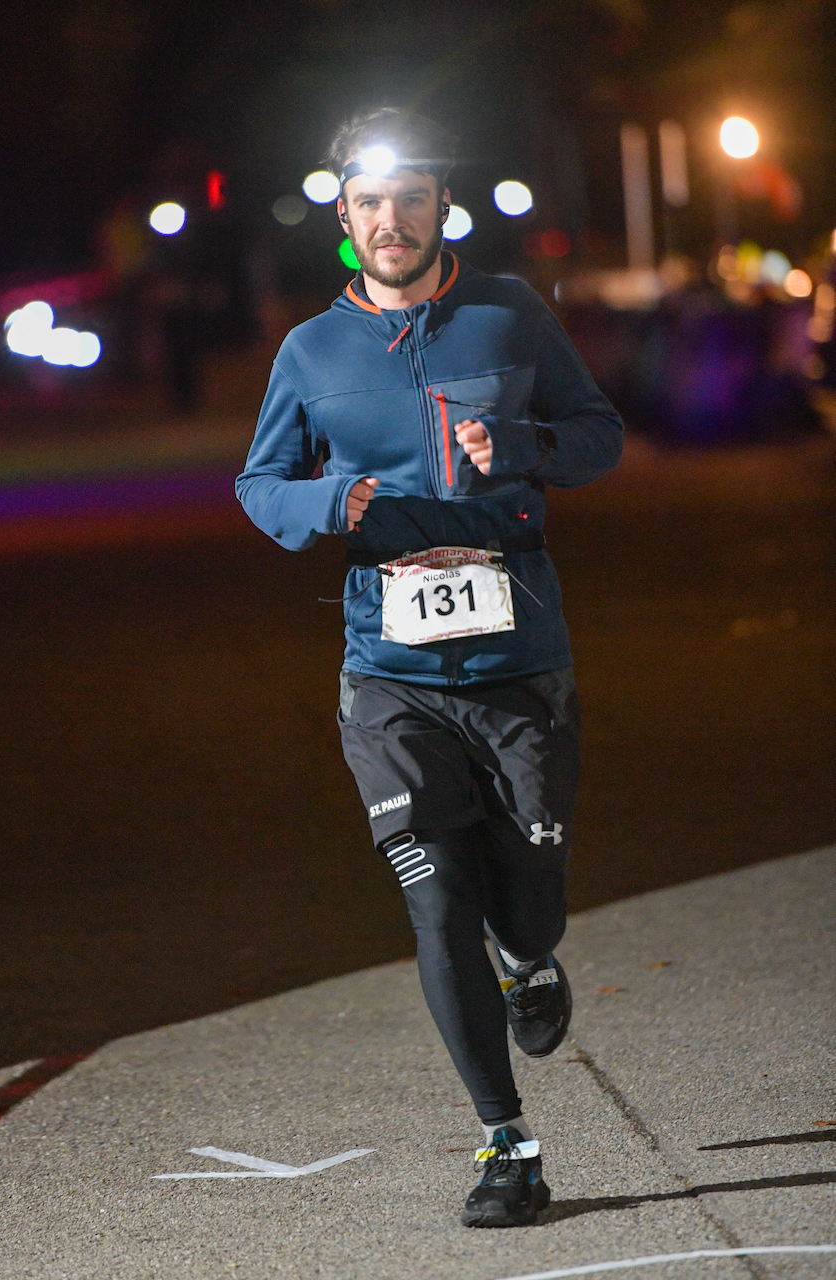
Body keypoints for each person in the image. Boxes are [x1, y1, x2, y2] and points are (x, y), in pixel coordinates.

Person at [236, 107, 624, 1227]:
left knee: (526, 900)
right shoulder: (310, 350)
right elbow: (259, 483)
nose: (388, 220)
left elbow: (597, 432)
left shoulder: (507, 313)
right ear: (344, 219)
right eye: (367, 204)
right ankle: (508, 1141)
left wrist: (533, 449)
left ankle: (530, 958)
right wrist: (326, 501)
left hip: (517, 661)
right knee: (435, 893)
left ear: (438, 204)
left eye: (408, 198)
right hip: (387, 669)